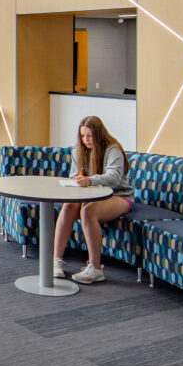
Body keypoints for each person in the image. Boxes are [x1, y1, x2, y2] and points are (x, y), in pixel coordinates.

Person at [52, 115, 134, 284]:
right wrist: (79, 180)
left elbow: (114, 178)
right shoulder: (79, 150)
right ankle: (56, 261)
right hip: (90, 194)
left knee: (88, 211)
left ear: (99, 134)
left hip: (118, 195)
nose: (86, 140)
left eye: (90, 136)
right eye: (83, 136)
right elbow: (74, 175)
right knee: (68, 207)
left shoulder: (112, 149)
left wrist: (90, 180)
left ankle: (95, 268)